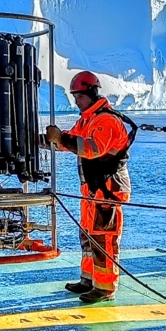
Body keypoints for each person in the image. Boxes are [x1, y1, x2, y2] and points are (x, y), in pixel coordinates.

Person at [45, 71, 136, 302]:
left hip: (107, 192)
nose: (76, 101)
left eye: (79, 97)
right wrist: (41, 141)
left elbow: (91, 148)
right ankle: (88, 280)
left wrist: (61, 138)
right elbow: (68, 142)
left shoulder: (105, 120)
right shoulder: (88, 119)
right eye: (74, 97)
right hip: (93, 191)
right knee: (88, 236)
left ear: (92, 93)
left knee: (104, 238)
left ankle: (105, 288)